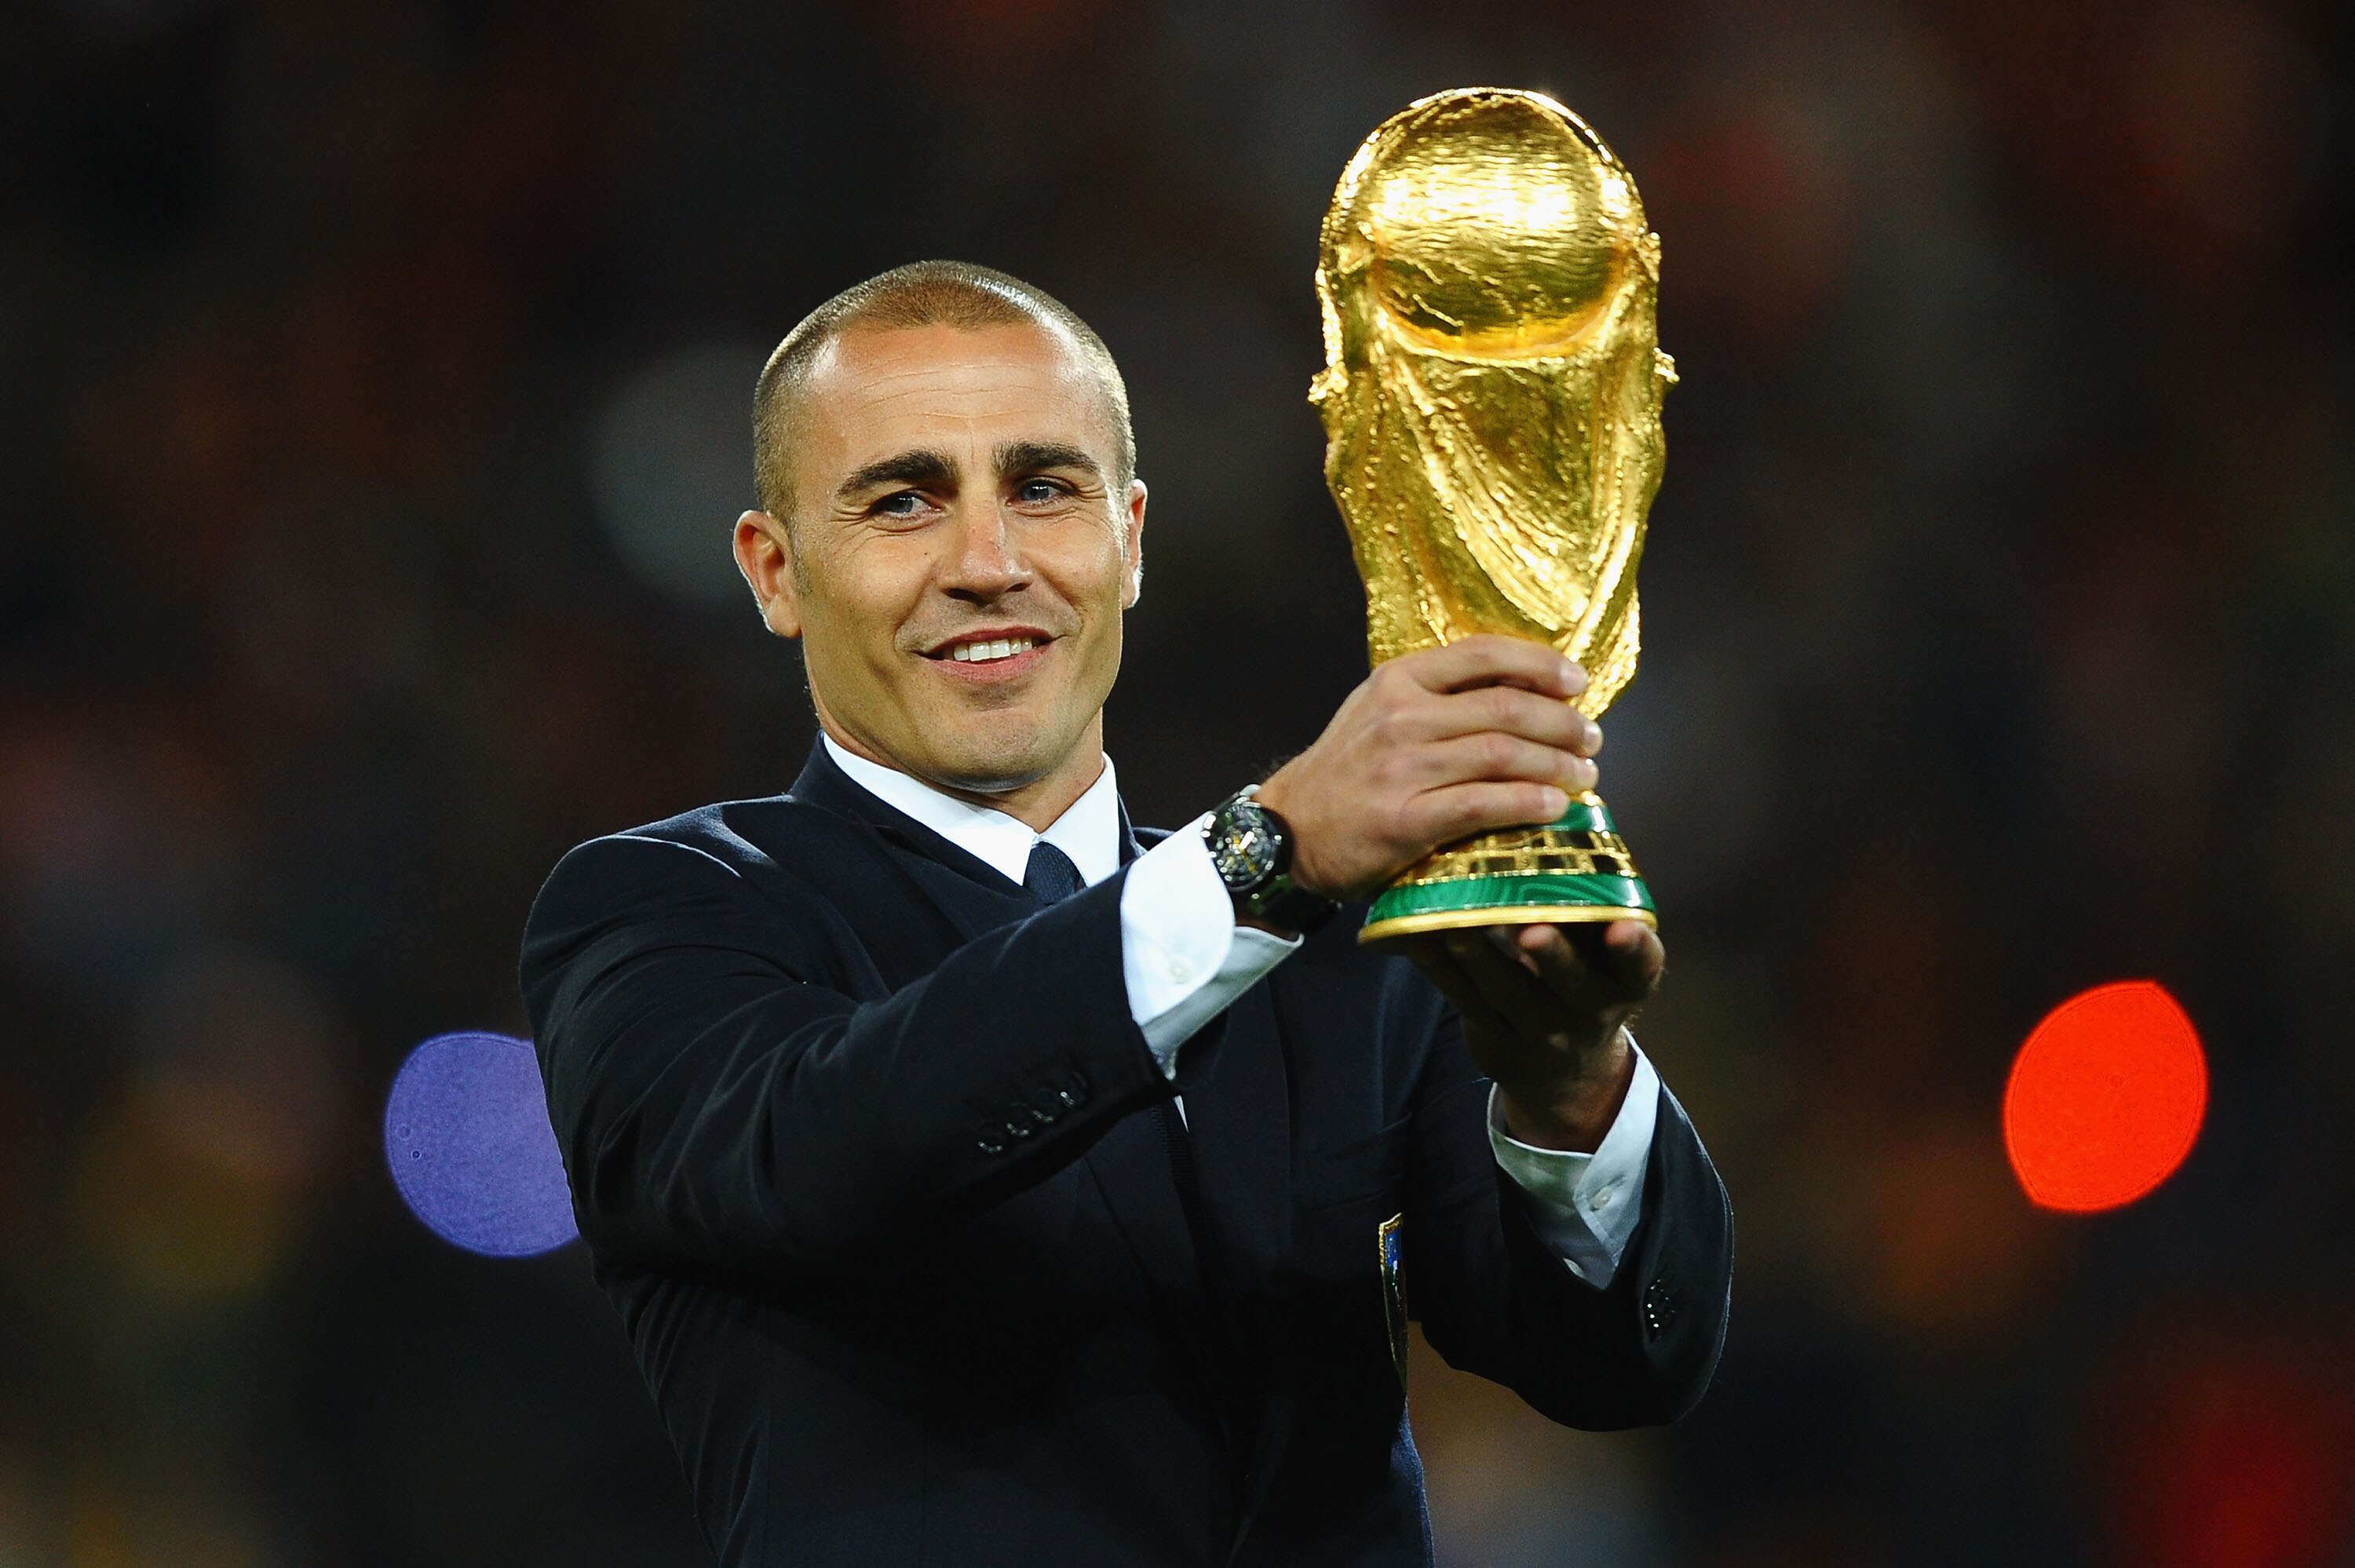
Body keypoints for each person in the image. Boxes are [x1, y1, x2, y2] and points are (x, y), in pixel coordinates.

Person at [520, 260, 1731, 1566]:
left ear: (1132, 537)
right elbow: (831, 1149)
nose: (988, 564)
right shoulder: (664, 909)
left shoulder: (1347, 946)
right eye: (903, 501)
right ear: (776, 571)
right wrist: (1264, 855)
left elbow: (1619, 1366)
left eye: (1044, 488)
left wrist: (1569, 1093)